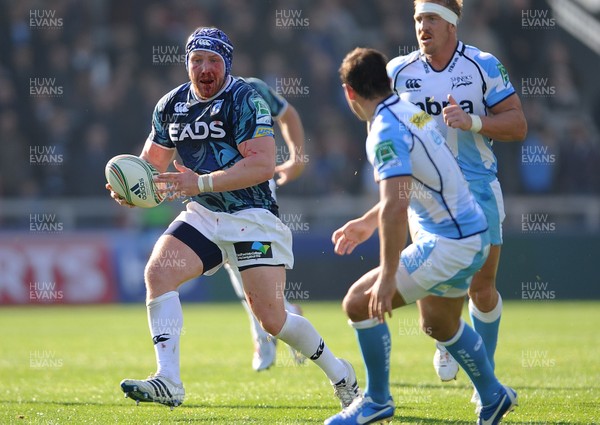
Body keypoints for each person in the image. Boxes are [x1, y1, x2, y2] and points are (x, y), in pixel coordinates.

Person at [106, 27, 360, 410]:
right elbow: (152, 170)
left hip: (252, 217)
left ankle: (341, 373)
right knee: (159, 273)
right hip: (206, 215)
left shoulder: (246, 98)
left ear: (227, 63)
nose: (204, 68)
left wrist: (200, 181)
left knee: (274, 319)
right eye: (197, 60)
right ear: (186, 63)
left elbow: (261, 164)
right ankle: (169, 380)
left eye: (213, 60)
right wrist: (132, 190)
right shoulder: (171, 105)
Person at [325, 47, 517, 424]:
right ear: (386, 79)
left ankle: (377, 400)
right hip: (471, 233)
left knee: (358, 304)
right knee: (438, 323)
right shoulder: (410, 112)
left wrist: (386, 274)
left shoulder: (384, 129)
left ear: (349, 93)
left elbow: (397, 207)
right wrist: (367, 223)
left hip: (449, 243)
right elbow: (411, 187)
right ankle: (493, 395)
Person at [386, 0, 527, 408]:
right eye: (417, 19)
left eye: (430, 18)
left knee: (482, 288)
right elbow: (383, 124)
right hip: (427, 196)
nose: (422, 27)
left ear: (450, 24)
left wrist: (474, 122)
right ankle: (447, 337)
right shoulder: (399, 72)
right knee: (433, 302)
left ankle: (488, 380)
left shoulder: (482, 65)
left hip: (478, 188)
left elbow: (518, 124)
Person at [226, 76, 307, 371]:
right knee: (237, 270)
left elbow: (288, 114)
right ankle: (284, 315)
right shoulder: (191, 98)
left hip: (255, 193)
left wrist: (297, 157)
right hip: (214, 196)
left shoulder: (252, 88)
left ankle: (273, 328)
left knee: (250, 263)